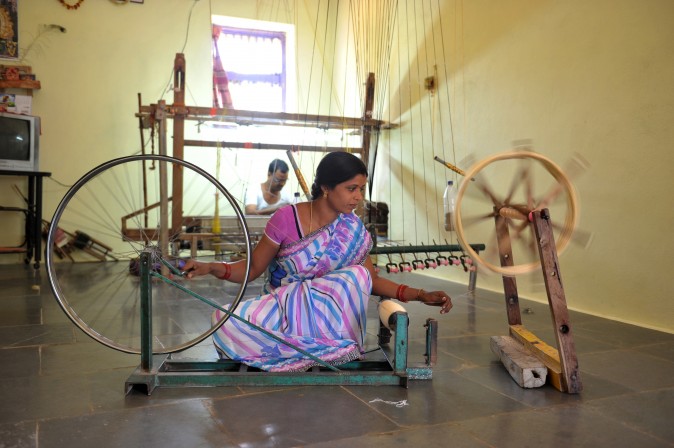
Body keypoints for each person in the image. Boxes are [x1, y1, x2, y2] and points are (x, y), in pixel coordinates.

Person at [182, 152, 453, 372]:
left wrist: (420, 295)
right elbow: (252, 269)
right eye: (351, 189)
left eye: (361, 189)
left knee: (356, 275)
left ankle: (329, 349)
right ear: (326, 187)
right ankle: (308, 351)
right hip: (285, 310)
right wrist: (210, 267)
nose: (358, 197)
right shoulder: (286, 219)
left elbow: (372, 281)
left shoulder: (353, 229)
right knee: (224, 319)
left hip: (330, 322)